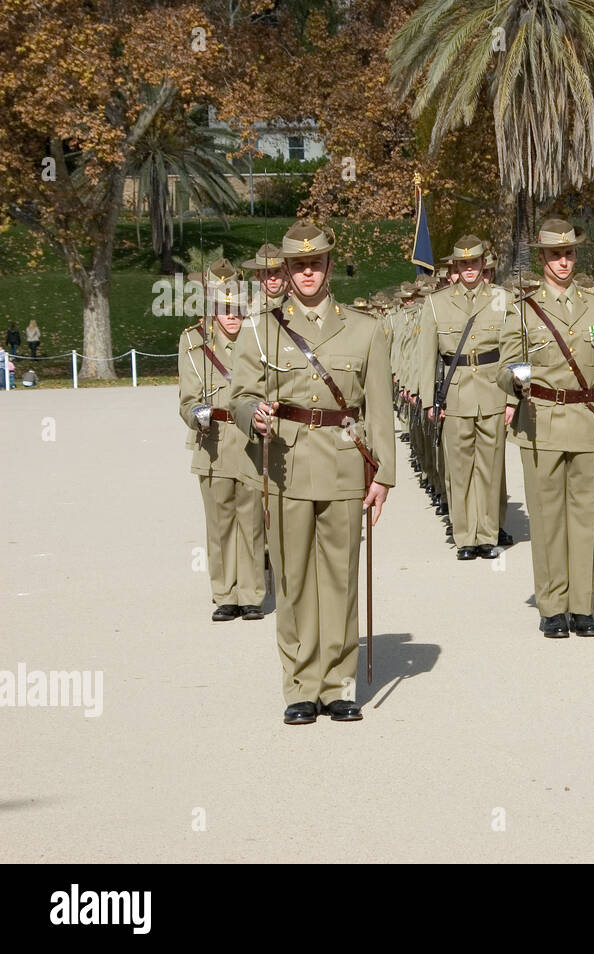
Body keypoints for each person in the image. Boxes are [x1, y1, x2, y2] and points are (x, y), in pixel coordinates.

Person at [230, 221, 396, 726]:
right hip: (286, 466)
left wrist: (383, 475)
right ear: (285, 270)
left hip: (346, 464)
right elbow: (239, 394)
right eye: (297, 265)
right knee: (295, 579)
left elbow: (381, 410)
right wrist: (251, 413)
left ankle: (339, 684)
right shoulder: (262, 328)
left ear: (328, 266)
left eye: (316, 263)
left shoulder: (365, 328)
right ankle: (301, 685)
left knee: (341, 579)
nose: (307, 272)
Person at [497, 218, 594, 638]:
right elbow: (502, 370)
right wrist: (513, 379)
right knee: (546, 518)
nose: (563, 261)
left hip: (589, 422)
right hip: (542, 422)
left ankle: (583, 605)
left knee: (584, 516)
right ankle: (553, 605)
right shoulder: (523, 311)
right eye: (555, 254)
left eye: (569, 253)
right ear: (542, 259)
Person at [178, 260, 267, 622]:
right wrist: (194, 414)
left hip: (248, 440)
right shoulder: (193, 341)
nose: (231, 316)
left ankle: (251, 594)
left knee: (251, 520)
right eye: (223, 309)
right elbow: (185, 398)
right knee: (219, 522)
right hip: (213, 442)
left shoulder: (259, 337)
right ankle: (225, 594)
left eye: (237, 309)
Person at [418, 235, 509, 560]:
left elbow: (513, 352)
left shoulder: (502, 299)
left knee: (489, 467)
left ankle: (487, 534)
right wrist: (429, 400)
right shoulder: (436, 303)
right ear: (455, 267)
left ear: (483, 264)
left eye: (475, 263)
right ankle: (465, 536)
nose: (469, 269)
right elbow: (426, 356)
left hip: (493, 392)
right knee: (459, 468)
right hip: (455, 395)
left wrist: (513, 399)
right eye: (463, 263)